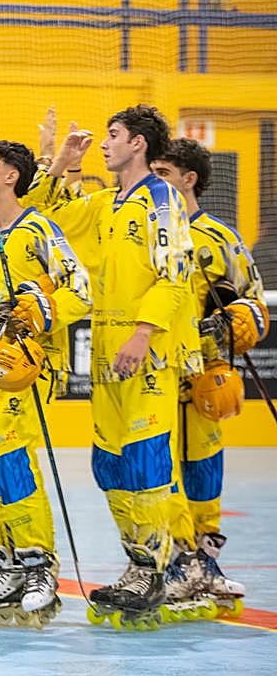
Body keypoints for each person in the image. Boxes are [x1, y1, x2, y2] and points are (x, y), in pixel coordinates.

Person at [34, 105, 202, 620]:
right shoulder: (107, 203)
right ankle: (139, 562)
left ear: (139, 145)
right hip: (108, 355)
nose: (104, 144)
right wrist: (57, 161)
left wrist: (144, 331)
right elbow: (43, 217)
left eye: (112, 136)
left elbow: (176, 274)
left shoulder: (163, 199)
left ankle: (155, 571)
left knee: (147, 461)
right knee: (109, 464)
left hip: (147, 351)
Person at [0, 140, 91, 625]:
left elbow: (81, 290)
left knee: (14, 459)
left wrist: (41, 307)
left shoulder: (38, 229)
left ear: (11, 175)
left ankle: (39, 565)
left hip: (29, 368)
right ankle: (9, 563)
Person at [151, 138, 267, 611]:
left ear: (188, 178)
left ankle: (205, 562)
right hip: (156, 375)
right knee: (161, 472)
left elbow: (254, 299)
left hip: (203, 378)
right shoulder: (148, 230)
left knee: (204, 470)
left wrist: (238, 321)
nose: (153, 180)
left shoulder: (220, 238)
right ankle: (171, 560)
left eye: (162, 172)